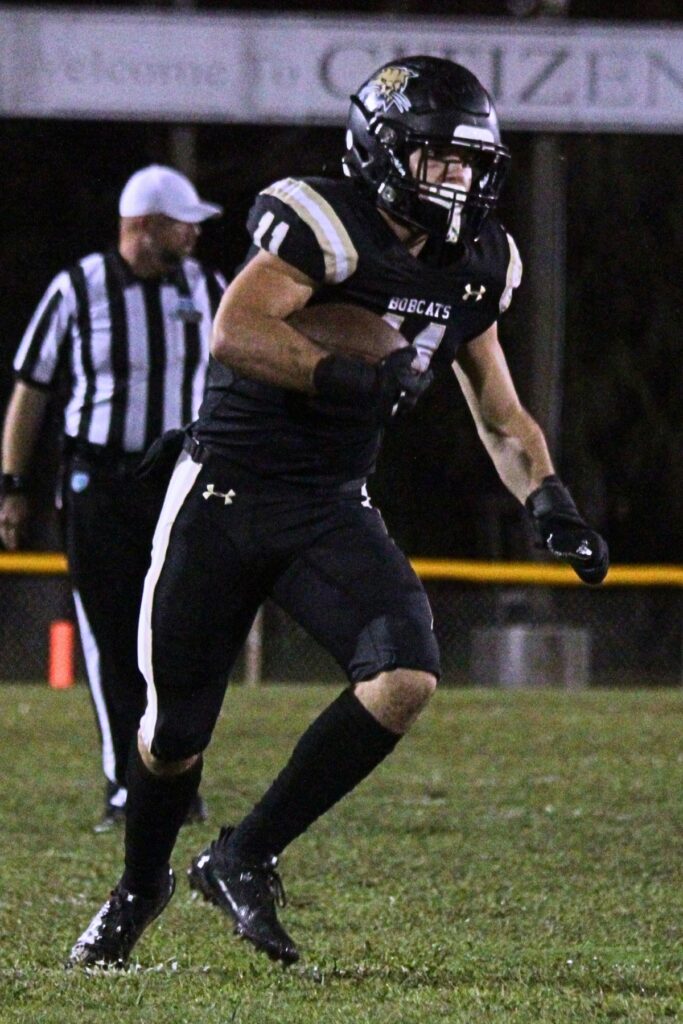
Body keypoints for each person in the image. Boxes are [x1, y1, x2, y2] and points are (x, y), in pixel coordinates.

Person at [67, 57, 608, 968]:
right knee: (168, 739)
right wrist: (351, 374)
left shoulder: (477, 262)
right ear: (385, 153)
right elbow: (235, 331)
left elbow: (498, 408)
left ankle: (243, 853)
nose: (460, 181)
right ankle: (137, 887)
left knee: (404, 676)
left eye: (472, 163)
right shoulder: (324, 223)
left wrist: (546, 499)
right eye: (440, 160)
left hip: (327, 504)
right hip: (224, 495)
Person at [0, 165, 226, 831]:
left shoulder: (208, 287)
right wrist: (12, 486)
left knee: (178, 635)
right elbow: (30, 392)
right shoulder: (78, 289)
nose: (193, 232)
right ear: (144, 227)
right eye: (182, 221)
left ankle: (175, 773)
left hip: (179, 481)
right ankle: (126, 784)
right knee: (108, 637)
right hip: (98, 482)